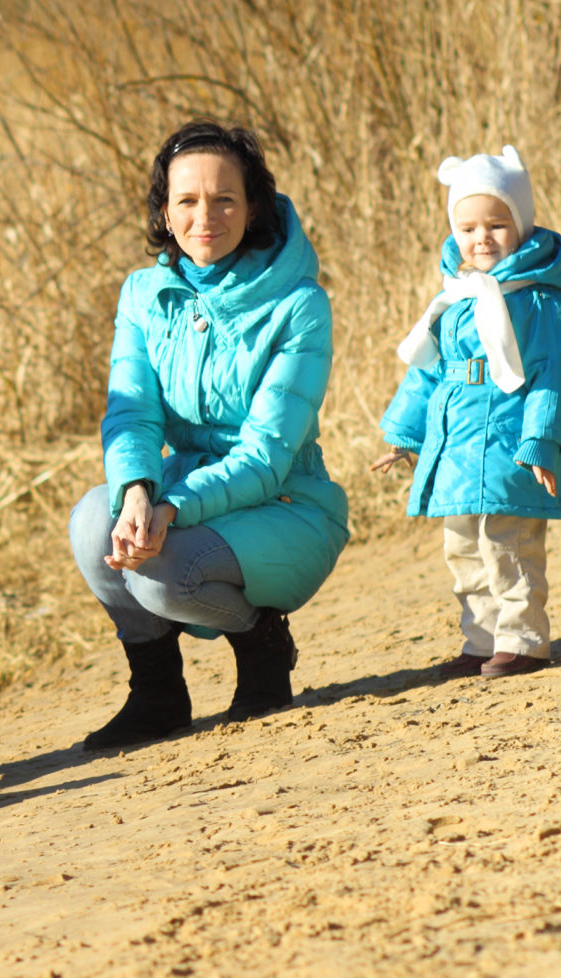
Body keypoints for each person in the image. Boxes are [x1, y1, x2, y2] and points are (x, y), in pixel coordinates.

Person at [67, 119, 350, 750]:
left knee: (161, 572)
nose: (206, 217)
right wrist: (138, 490)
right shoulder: (144, 294)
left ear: (253, 206)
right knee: (94, 521)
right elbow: (131, 412)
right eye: (187, 200)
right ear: (164, 212)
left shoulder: (301, 304)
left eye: (225, 198)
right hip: (185, 490)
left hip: (284, 505)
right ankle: (158, 693)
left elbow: (266, 456)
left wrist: (171, 507)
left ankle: (262, 645)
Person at [370, 146, 561, 678]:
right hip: (459, 447)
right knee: (463, 548)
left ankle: (524, 639)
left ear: (522, 223)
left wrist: (540, 441)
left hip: (511, 442)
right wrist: (405, 435)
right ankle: (482, 637)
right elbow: (428, 371)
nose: (481, 238)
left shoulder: (539, 299)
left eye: (496, 224)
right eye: (467, 228)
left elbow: (553, 373)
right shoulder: (457, 296)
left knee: (509, 545)